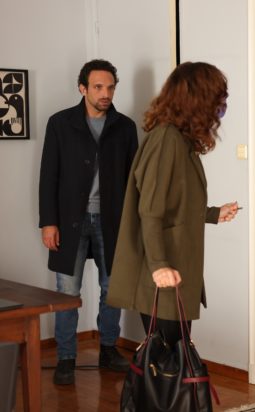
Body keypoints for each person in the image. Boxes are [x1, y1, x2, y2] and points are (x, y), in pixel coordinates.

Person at [106, 62, 238, 350]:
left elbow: (176, 204)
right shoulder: (166, 139)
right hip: (162, 270)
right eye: (218, 98)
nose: (221, 107)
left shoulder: (180, 140)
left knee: (171, 358)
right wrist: (159, 266)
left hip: (174, 267)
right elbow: (150, 210)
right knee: (168, 359)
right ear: (199, 100)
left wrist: (214, 214)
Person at [39, 59, 138, 385]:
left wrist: (133, 226)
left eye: (110, 87)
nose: (105, 93)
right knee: (67, 291)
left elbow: (133, 180)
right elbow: (48, 176)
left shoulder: (125, 127)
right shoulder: (60, 123)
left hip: (113, 220)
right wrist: (48, 222)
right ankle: (66, 357)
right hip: (70, 220)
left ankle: (108, 348)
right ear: (83, 88)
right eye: (98, 87)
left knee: (113, 288)